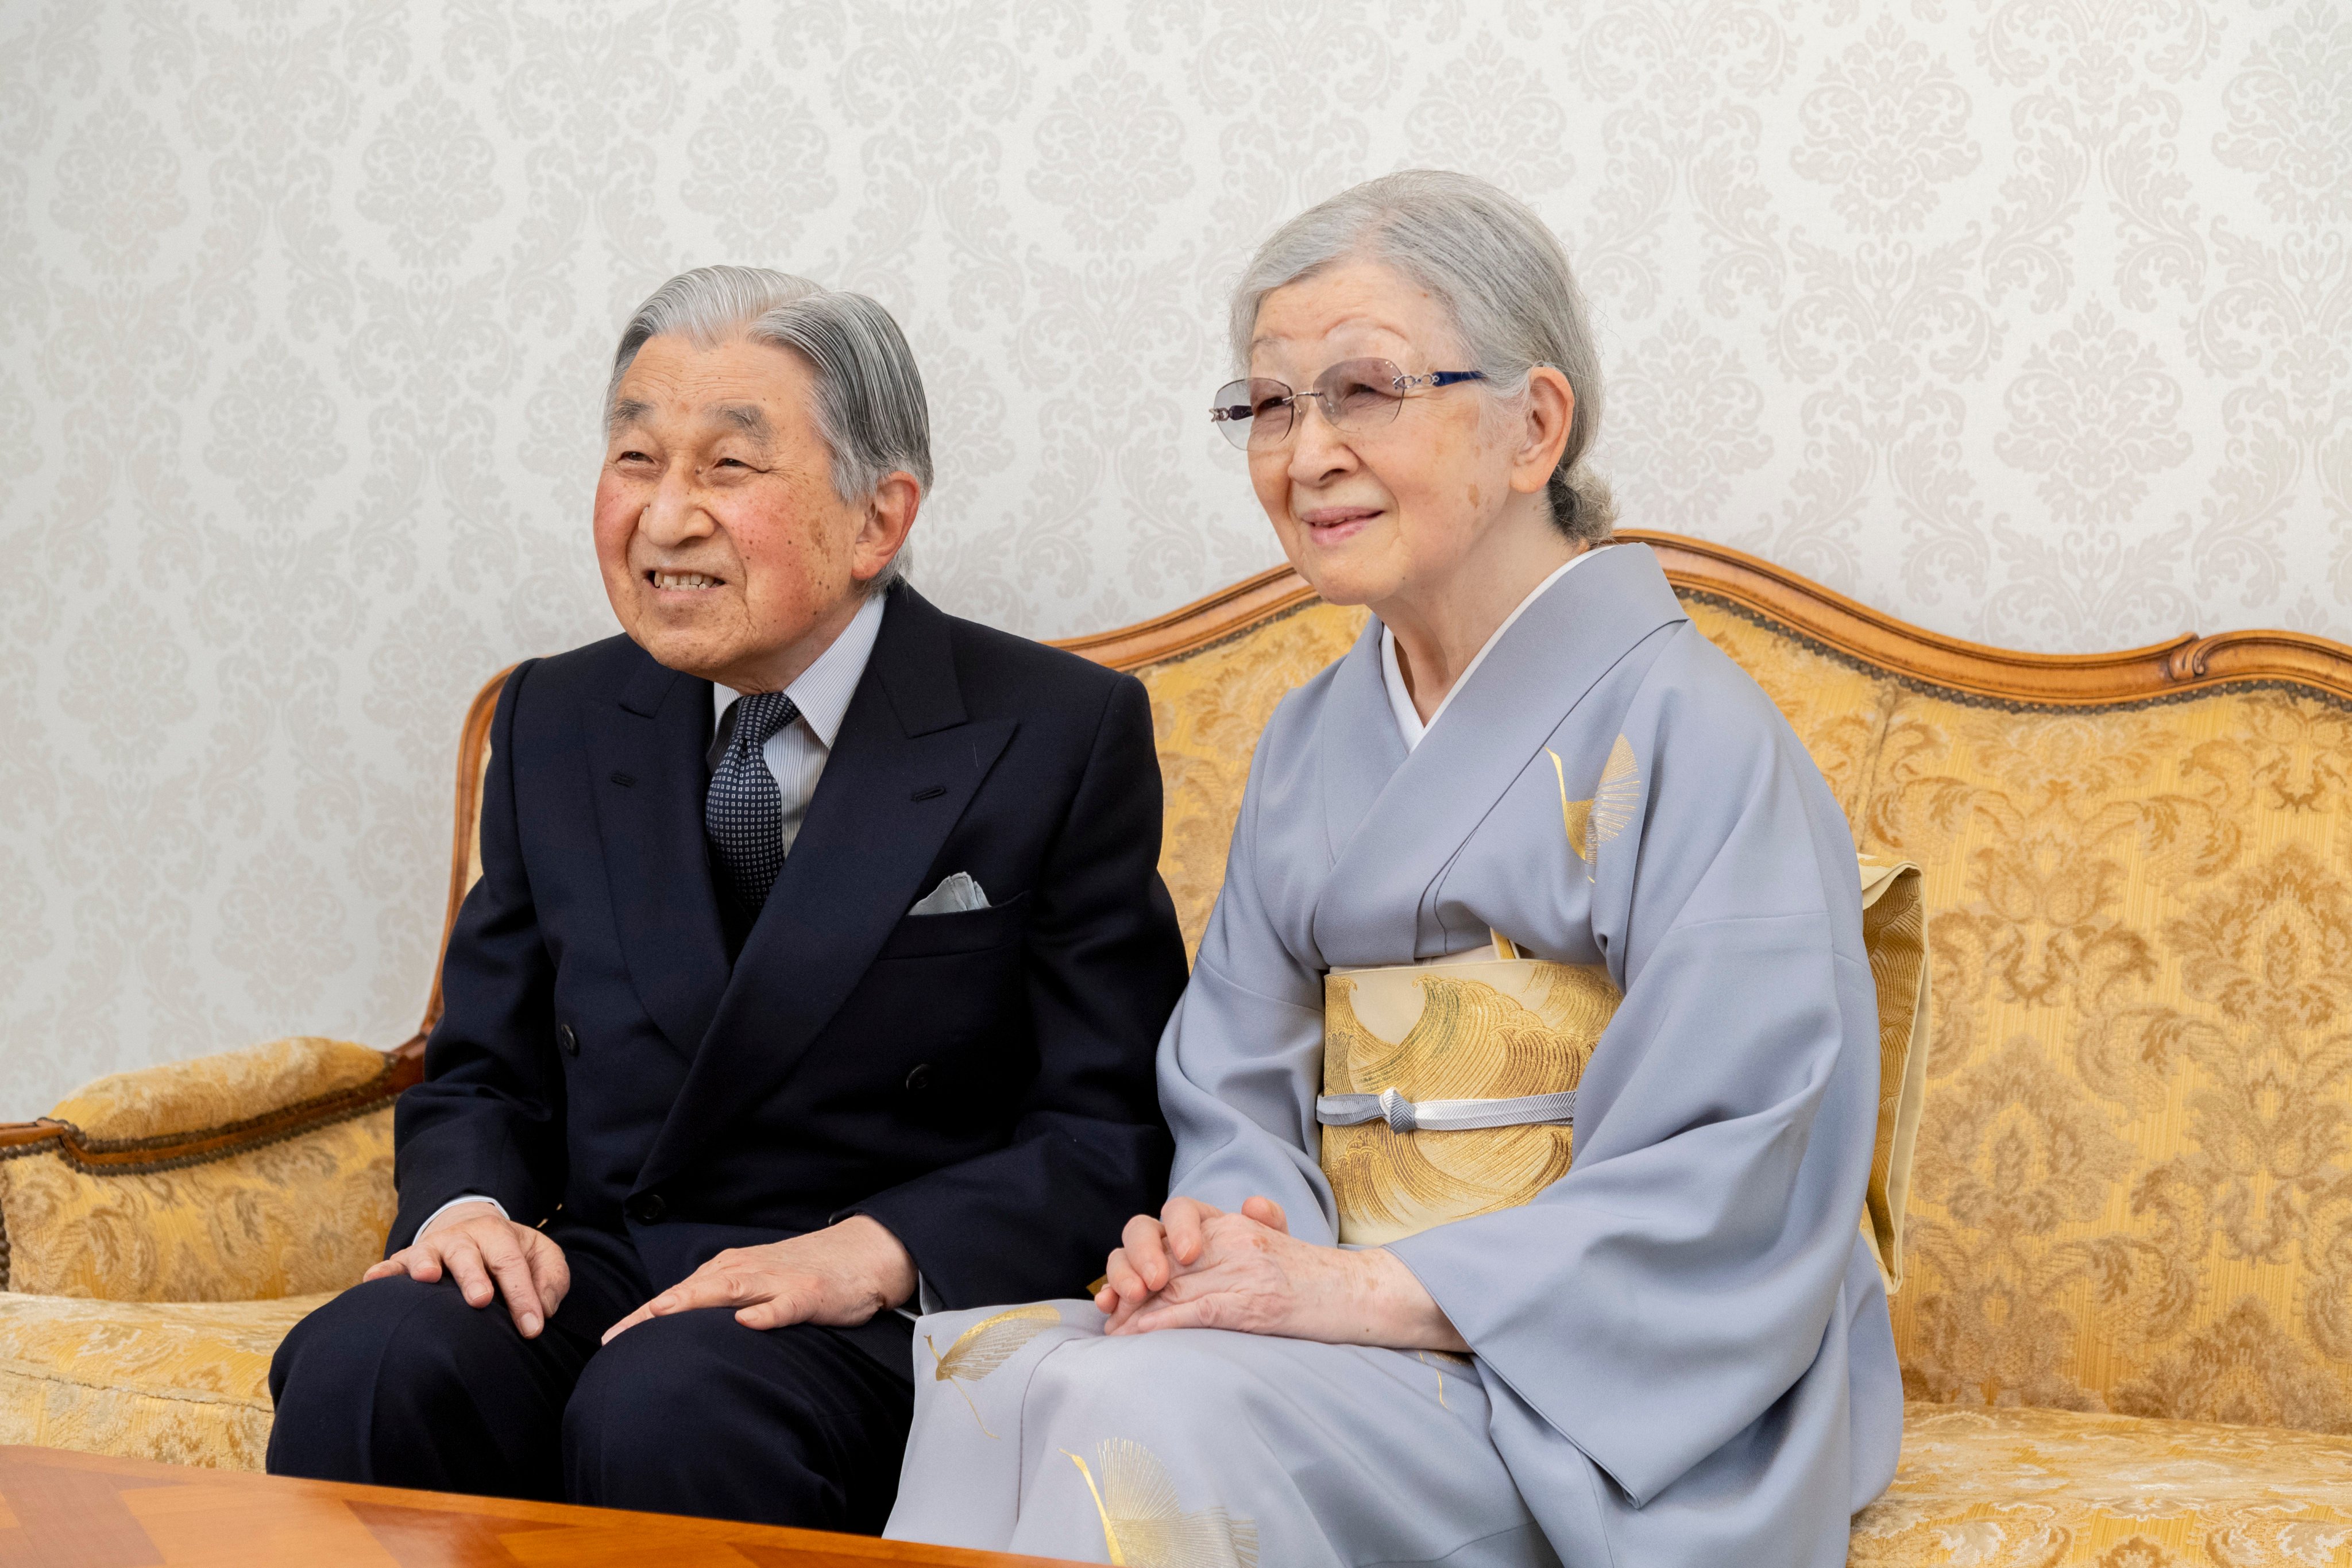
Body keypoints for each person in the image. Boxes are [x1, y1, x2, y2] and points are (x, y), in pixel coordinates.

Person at [883, 172, 1903, 1567]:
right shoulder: (1309, 743)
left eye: (1361, 391)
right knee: (1013, 1376)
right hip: (1351, 1328)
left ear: (1531, 424)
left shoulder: (1693, 729)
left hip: (1599, 1380)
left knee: (1142, 1414)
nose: (1304, 455)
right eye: (1267, 405)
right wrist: (1232, 1253)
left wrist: (1355, 1291)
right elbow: (1235, 1086)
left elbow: (1737, 1160)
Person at [267, 267, 1189, 1532]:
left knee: (672, 1402)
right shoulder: (557, 717)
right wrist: (469, 1209)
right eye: (636, 458)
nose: (664, 516)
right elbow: (484, 1069)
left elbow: (1107, 1127)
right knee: (375, 1355)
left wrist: (880, 1251)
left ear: (878, 517)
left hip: (865, 1295)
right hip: (611, 1259)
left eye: (726, 469)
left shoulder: (1052, 733)